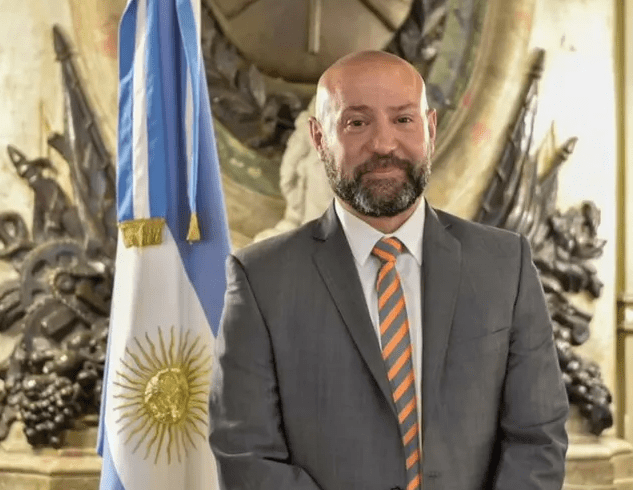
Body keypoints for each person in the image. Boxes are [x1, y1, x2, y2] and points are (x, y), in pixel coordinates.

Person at [209, 50, 569, 490]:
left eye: (403, 119)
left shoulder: (505, 265)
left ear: (430, 129)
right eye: (357, 122)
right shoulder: (259, 279)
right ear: (319, 138)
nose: (383, 144)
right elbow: (246, 454)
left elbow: (538, 439)